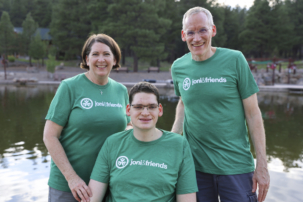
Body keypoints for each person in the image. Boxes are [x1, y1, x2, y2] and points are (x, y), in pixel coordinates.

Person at [171, 7, 270, 202]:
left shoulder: (235, 60)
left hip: (236, 167)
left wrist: (262, 164)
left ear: (213, 30)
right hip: (195, 168)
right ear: (183, 35)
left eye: (202, 30)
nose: (197, 38)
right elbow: (183, 103)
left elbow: (253, 114)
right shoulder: (178, 67)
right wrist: (171, 143)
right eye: (191, 32)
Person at [43, 34, 131, 202]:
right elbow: (49, 136)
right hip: (69, 186)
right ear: (86, 58)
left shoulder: (121, 91)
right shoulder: (69, 87)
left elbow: (128, 126)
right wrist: (72, 178)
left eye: (106, 54)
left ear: (114, 59)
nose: (101, 59)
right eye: (95, 54)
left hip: (107, 184)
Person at [88, 82, 198, 202]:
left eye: (151, 107)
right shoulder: (112, 143)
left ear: (159, 110)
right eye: (138, 107)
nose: (145, 113)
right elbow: (93, 197)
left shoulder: (179, 145)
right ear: (128, 110)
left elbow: (187, 198)